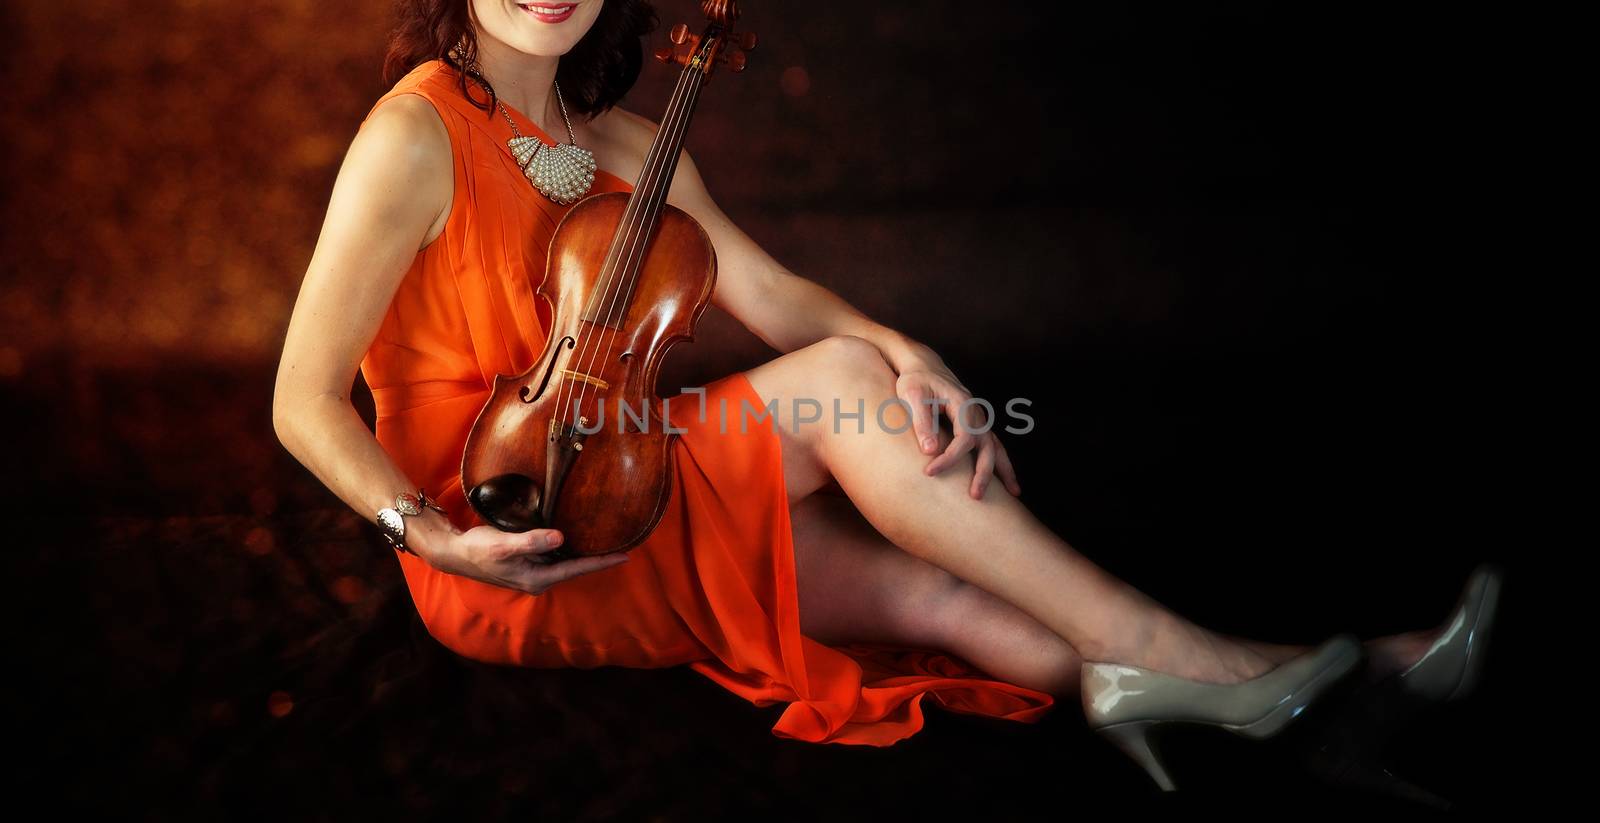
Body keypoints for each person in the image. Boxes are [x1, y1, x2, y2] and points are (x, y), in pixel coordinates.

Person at [273, 0, 1498, 783]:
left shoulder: (634, 144)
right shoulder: (416, 133)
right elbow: (302, 400)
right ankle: (1203, 663)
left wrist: (911, 350)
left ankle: (1304, 678)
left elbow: (770, 290)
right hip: (503, 530)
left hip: (638, 472)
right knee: (841, 400)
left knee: (938, 593)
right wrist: (427, 535)